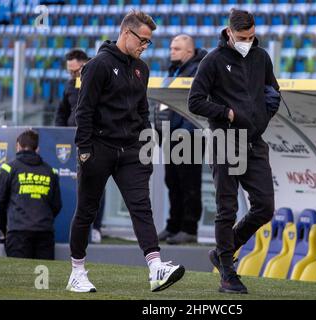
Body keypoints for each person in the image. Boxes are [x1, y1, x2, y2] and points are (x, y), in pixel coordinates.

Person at [67, 10, 185, 293]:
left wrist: (146, 143)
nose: (145, 46)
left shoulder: (141, 69)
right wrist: (84, 150)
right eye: (143, 40)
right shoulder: (97, 65)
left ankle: (156, 267)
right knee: (86, 211)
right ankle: (77, 272)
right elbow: (84, 111)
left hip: (131, 150)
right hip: (98, 147)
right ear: (126, 33)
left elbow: (142, 110)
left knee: (141, 207)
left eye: (149, 43)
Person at [188, 9, 279, 294]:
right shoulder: (212, 61)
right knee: (226, 209)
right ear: (229, 33)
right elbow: (195, 101)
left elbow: (272, 91)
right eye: (242, 37)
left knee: (265, 207)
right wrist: (226, 113)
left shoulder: (261, 57)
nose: (248, 41)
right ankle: (227, 271)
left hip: (254, 142)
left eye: (252, 36)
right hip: (225, 141)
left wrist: (264, 116)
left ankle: (223, 250)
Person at [157, 35, 207, 245]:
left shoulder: (199, 70)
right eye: (171, 48)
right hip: (171, 134)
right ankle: (173, 225)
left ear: (189, 52)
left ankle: (189, 228)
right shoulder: (174, 69)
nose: (172, 52)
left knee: (189, 183)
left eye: (176, 49)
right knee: (172, 182)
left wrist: (186, 132)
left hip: (190, 135)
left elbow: (198, 105)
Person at [55, 48, 104, 244]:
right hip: (70, 140)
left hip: (93, 141)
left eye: (76, 71)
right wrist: (59, 132)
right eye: (70, 71)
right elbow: (61, 112)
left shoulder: (99, 81)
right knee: (75, 185)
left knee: (96, 184)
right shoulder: (69, 86)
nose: (73, 75)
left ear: (85, 64)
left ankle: (96, 227)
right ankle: (74, 224)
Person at [0, 129, 62, 260]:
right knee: (42, 280)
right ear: (37, 149)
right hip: (45, 234)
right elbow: (57, 205)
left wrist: (5, 227)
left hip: (17, 233)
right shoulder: (50, 171)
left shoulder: (9, 168)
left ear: (18, 146)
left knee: (18, 278)